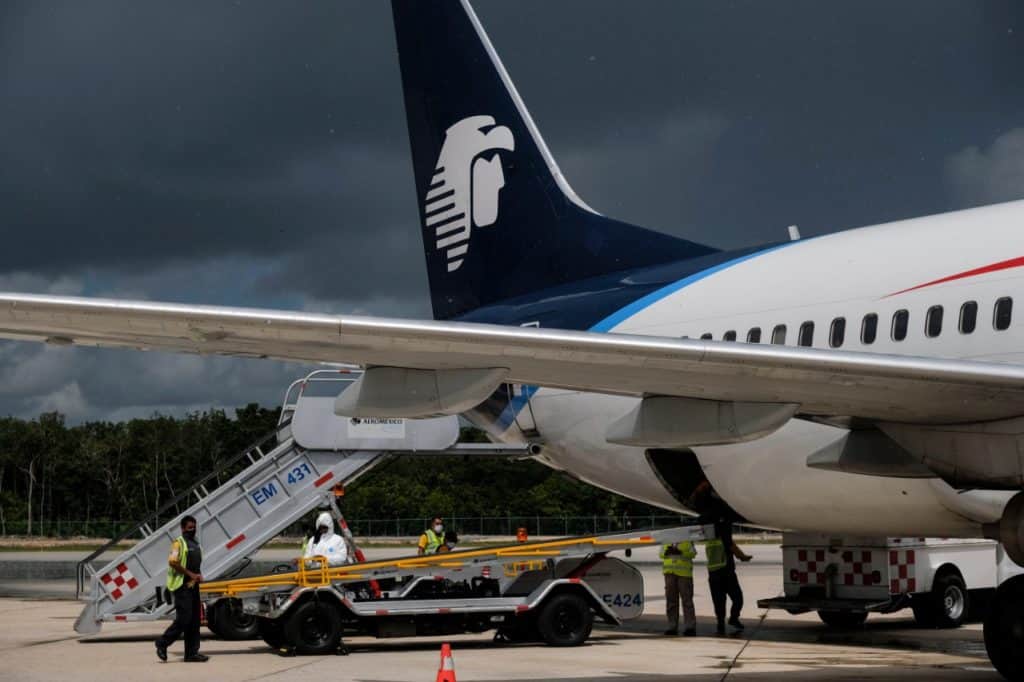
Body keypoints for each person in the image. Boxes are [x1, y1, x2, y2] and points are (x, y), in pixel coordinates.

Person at [155, 515, 207, 662]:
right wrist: (191, 574)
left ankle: (191, 653)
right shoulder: (178, 543)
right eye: (190, 527)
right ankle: (162, 643)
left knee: (194, 620)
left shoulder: (196, 544)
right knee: (184, 619)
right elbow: (173, 562)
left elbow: (195, 563)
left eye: (194, 527)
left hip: (193, 587)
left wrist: (199, 575)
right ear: (183, 528)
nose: (193, 530)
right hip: (181, 587)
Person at [705, 517, 752, 636]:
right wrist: (744, 558)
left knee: (719, 602)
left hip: (713, 575)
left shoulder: (709, 540)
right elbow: (735, 551)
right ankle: (733, 618)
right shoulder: (725, 539)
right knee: (738, 598)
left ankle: (720, 625)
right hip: (727, 574)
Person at [660, 540, 697, 636]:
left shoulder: (687, 540)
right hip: (670, 573)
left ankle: (690, 627)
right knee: (671, 601)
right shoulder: (666, 540)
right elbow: (661, 554)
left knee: (687, 601)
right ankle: (672, 627)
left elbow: (693, 553)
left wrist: (681, 552)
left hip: (684, 574)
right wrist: (667, 552)